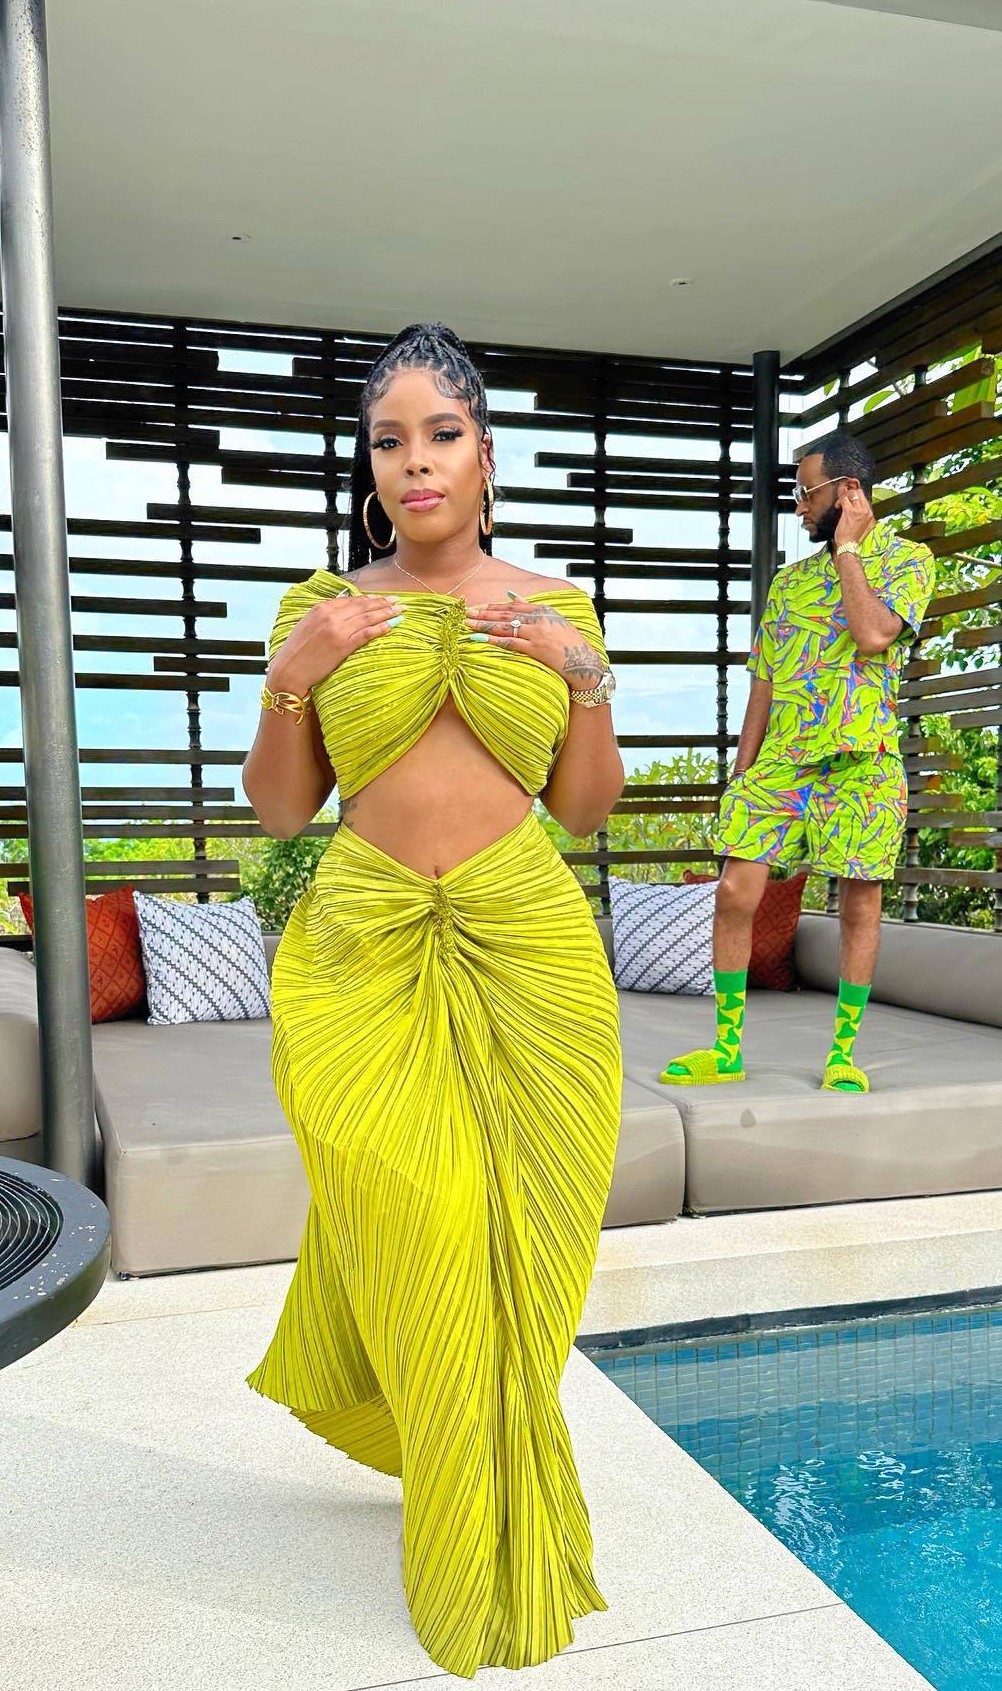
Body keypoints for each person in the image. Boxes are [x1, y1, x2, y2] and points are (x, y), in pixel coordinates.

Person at [241, 323, 625, 1680]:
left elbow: (584, 810)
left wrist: (584, 679)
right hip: (360, 946)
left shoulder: (557, 607)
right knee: (424, 1217)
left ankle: (482, 1485)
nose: (416, 462)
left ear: (484, 453)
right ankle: (456, 1514)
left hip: (531, 946)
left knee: (533, 1246)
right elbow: (280, 811)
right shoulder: (325, 608)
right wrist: (298, 672)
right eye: (389, 440)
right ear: (370, 464)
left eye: (441, 434)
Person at [662, 430, 934, 1096]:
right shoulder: (788, 584)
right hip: (782, 765)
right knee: (734, 891)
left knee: (858, 907)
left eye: (806, 493)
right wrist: (743, 772)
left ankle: (842, 1053)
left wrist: (849, 551)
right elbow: (763, 679)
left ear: (848, 491)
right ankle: (727, 1048)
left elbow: (872, 633)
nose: (798, 506)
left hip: (862, 764)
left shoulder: (908, 560)